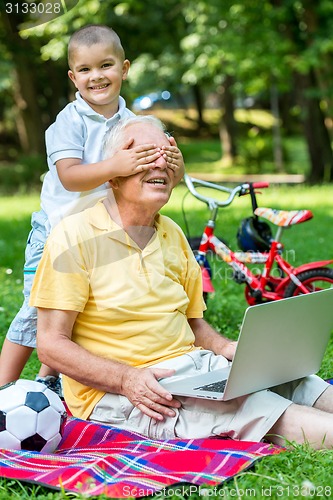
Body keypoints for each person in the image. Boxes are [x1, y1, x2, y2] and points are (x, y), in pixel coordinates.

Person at [30, 115, 333, 449]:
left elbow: (194, 324)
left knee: (298, 381)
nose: (160, 163)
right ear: (113, 176)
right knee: (256, 407)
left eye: (166, 154)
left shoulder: (172, 233)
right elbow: (50, 344)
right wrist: (127, 378)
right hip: (130, 392)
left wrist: (228, 349)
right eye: (144, 155)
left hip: (194, 370)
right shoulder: (73, 237)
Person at [0, 25, 184, 395]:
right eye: (85, 70)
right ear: (73, 77)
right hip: (57, 232)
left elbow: (154, 174)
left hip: (101, 231)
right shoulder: (68, 123)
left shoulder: (134, 123)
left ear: (124, 68)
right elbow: (70, 176)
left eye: (106, 65)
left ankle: (48, 380)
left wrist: (175, 166)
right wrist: (118, 164)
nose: (96, 76)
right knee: (38, 310)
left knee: (77, 306)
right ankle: (3, 386)